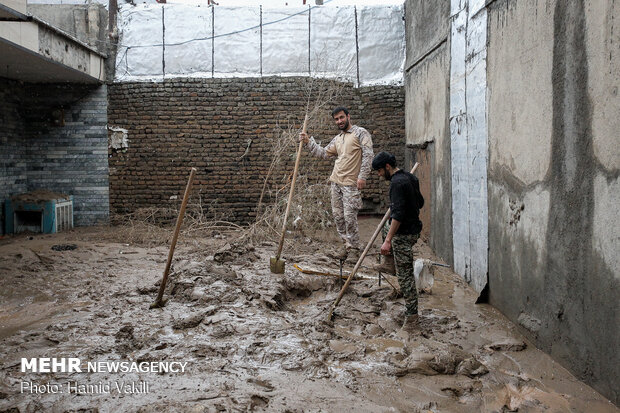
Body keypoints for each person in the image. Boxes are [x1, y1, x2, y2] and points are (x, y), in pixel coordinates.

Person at [299, 106, 373, 261]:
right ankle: (346, 246)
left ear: (348, 116)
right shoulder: (338, 138)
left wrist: (363, 177)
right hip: (336, 183)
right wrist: (308, 141)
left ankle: (354, 249)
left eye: (341, 117)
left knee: (349, 216)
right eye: (336, 119)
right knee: (338, 216)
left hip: (351, 184)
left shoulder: (360, 133)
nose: (339, 121)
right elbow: (324, 153)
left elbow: (368, 155)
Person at [372, 151, 424, 330]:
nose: (379, 175)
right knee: (386, 224)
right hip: (415, 227)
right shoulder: (410, 178)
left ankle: (412, 319)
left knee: (405, 278)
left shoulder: (396, 183)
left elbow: (398, 216)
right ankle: (389, 262)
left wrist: (388, 241)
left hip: (404, 234)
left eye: (379, 171)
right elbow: (421, 203)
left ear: (387, 167)